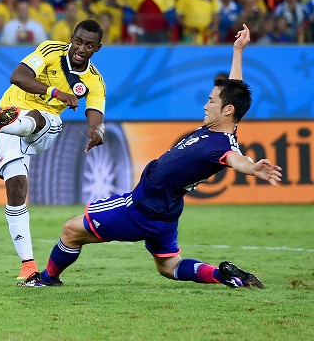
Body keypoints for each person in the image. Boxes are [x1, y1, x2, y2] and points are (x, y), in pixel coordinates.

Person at [19, 25, 281, 289]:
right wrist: (237, 51)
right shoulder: (223, 128)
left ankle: (46, 279)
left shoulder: (221, 147)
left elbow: (236, 159)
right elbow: (234, 89)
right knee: (169, 266)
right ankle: (222, 275)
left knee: (71, 230)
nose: (205, 105)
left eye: (211, 102)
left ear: (227, 111)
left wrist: (253, 168)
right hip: (167, 211)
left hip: (142, 206)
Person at [0, 20, 106, 280]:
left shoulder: (94, 81)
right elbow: (17, 76)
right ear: (72, 38)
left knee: (48, 119)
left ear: (97, 48)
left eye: (89, 45)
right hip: (11, 117)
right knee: (16, 189)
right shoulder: (50, 51)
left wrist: (96, 133)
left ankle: (8, 124)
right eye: (78, 41)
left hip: (42, 128)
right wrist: (55, 92)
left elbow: (96, 116)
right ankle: (28, 266)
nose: (81, 48)